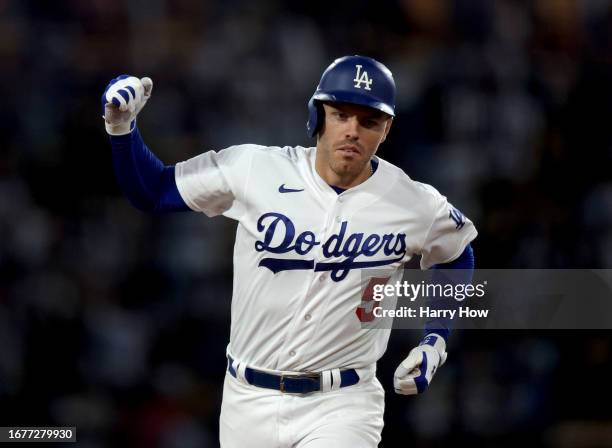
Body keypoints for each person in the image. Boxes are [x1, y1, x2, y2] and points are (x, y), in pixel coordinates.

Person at [102, 55, 477, 447]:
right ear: (318, 115)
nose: (352, 130)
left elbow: (457, 253)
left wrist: (436, 339)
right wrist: (121, 128)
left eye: (368, 121)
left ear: (386, 129)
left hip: (343, 404)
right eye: (341, 114)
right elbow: (153, 191)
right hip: (247, 400)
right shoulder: (254, 169)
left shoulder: (413, 203)